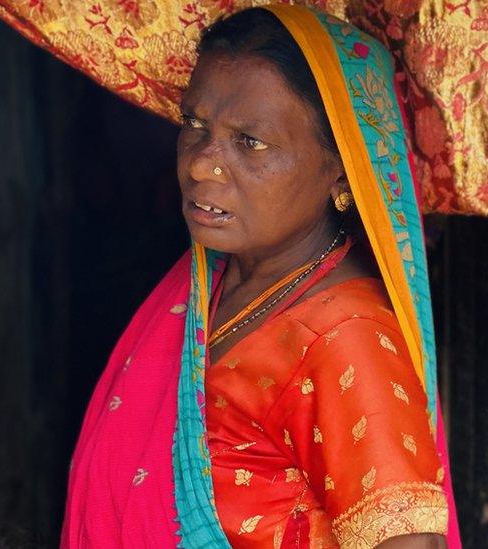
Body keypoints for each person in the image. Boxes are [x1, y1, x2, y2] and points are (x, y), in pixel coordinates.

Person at [61, 5, 459, 548]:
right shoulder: (213, 283)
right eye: (195, 127)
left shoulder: (346, 341)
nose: (201, 164)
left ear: (341, 167)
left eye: (250, 142)